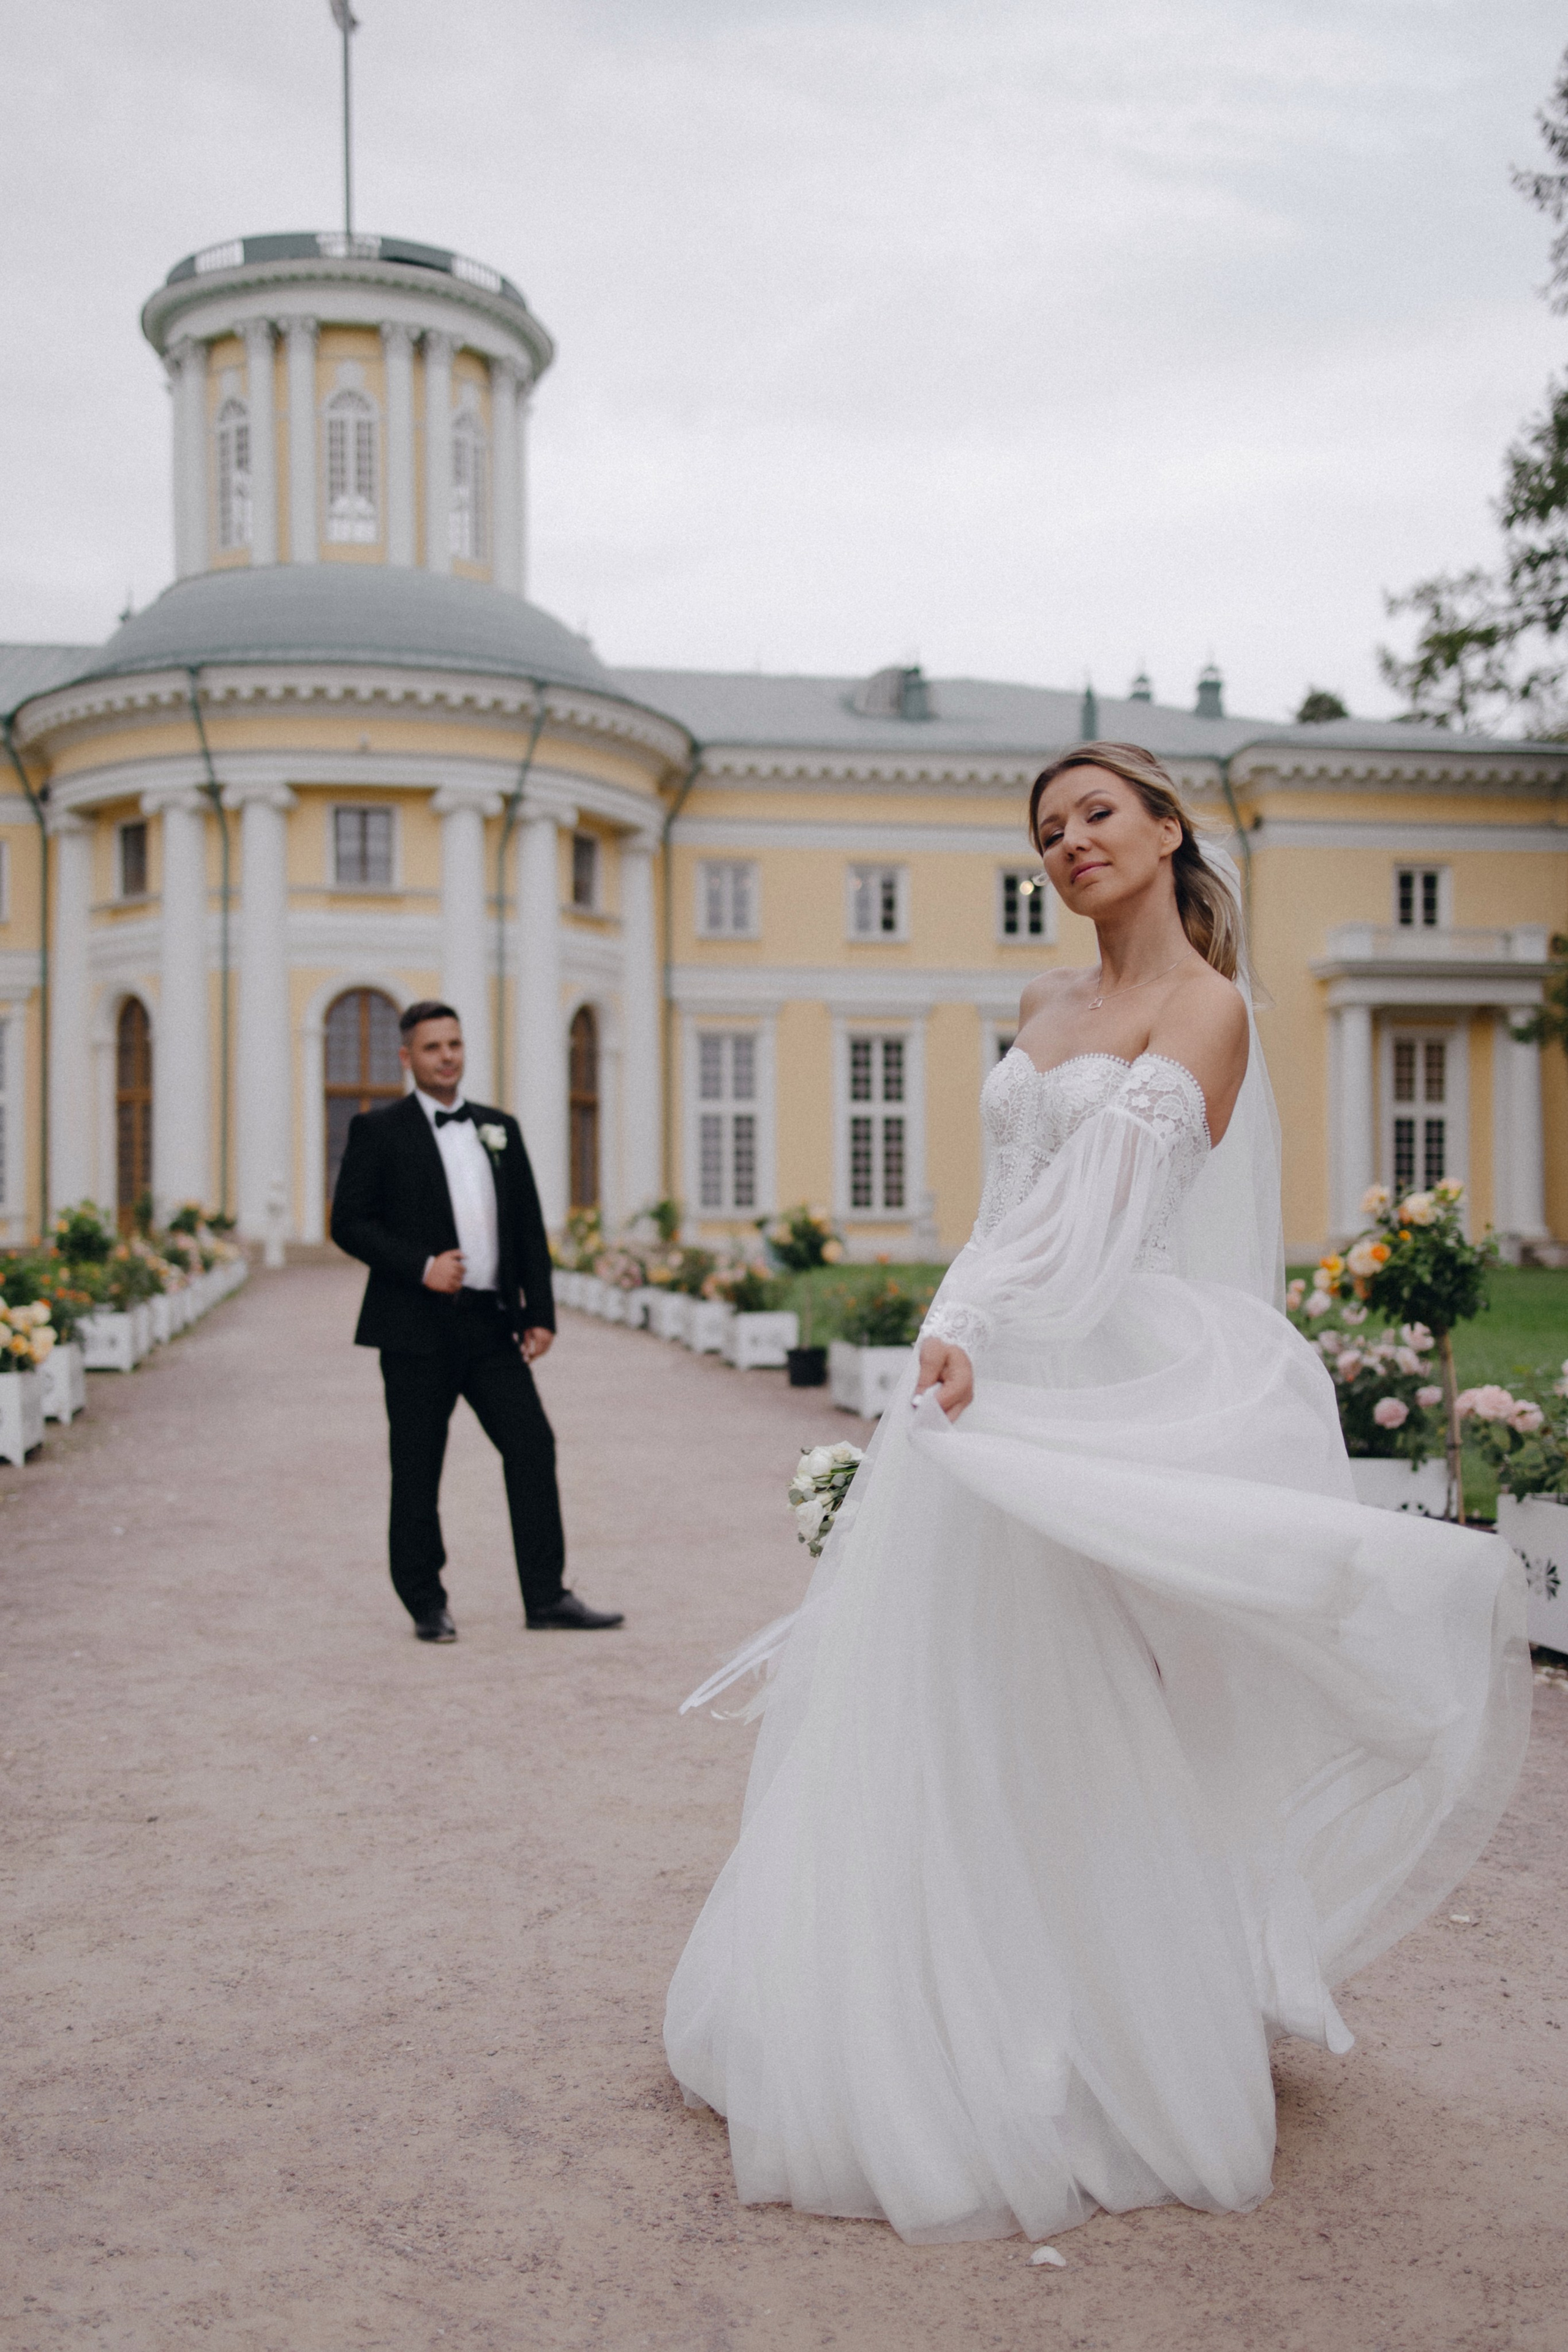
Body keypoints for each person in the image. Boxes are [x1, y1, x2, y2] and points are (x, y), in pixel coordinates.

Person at [665, 744, 1528, 2247]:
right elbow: (1004, 1206)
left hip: (1097, 1361)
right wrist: (953, 1333)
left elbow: (1100, 1210)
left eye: (1095, 816)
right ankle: (934, 1994)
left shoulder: (1206, 1008)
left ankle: (1095, 2025)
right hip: (983, 1356)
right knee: (951, 1689)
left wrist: (981, 1329)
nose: (1069, 843)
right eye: (1047, 830)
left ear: (1163, 827)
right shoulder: (1035, 1004)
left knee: (1100, 1696)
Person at [331, 1000, 623, 1642]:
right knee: (417, 1467)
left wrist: (538, 1312)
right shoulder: (379, 1132)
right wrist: (420, 1265)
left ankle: (546, 1596)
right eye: (433, 1047)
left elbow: (526, 1227)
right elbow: (347, 1224)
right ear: (407, 1058)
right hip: (414, 1329)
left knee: (532, 1447)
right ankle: (425, 1603)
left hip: (491, 1326)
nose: (447, 1057)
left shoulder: (500, 1129)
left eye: (455, 1044)